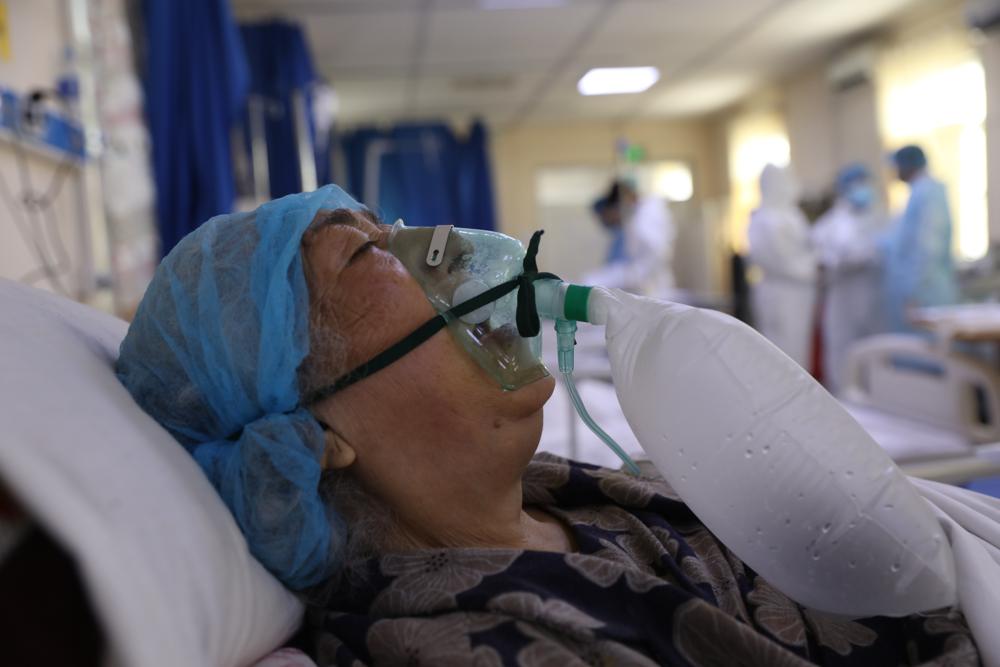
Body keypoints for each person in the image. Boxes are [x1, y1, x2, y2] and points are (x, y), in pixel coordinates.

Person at [115, 186, 977, 665]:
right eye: (369, 251)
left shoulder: (571, 493)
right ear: (309, 432)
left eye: (398, 224)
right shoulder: (467, 639)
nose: (441, 250)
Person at [811, 164, 885, 394]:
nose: (864, 190)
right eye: (858, 185)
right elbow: (833, 256)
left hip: (871, 297)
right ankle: (845, 404)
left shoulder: (876, 216)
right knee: (843, 353)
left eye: (866, 183)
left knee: (873, 351)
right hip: (843, 298)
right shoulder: (832, 223)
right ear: (844, 189)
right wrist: (865, 254)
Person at [748, 165, 817, 368]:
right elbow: (782, 262)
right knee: (785, 354)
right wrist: (814, 268)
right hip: (783, 294)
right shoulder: (767, 220)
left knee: (798, 351)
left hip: (797, 294)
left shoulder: (790, 215)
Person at [883, 145, 958, 333]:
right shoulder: (918, 193)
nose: (894, 172)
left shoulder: (927, 193)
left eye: (897, 166)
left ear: (907, 165)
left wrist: (914, 290)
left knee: (927, 351)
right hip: (920, 291)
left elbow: (928, 247)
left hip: (926, 293)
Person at [583, 180, 676, 298]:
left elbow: (653, 259)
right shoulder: (638, 218)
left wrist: (620, 277)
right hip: (647, 286)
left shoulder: (644, 222)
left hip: (652, 288)